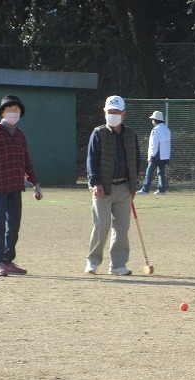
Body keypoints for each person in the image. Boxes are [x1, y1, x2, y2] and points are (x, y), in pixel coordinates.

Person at [0, 95, 42, 277]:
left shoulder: (20, 136)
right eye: (10, 110)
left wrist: (35, 183)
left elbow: (26, 162)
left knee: (14, 225)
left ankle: (8, 260)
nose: (13, 113)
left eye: (16, 110)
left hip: (15, 186)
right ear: (2, 113)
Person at [85, 95, 141, 276]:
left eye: (116, 112)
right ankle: (93, 262)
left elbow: (136, 161)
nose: (112, 115)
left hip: (124, 187)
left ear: (123, 114)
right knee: (101, 225)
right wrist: (95, 183)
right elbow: (91, 161)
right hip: (103, 188)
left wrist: (133, 186)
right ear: (104, 112)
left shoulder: (131, 135)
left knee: (122, 228)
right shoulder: (98, 133)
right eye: (109, 112)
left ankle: (118, 265)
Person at [137, 111, 171, 195]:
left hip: (157, 155)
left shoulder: (156, 130)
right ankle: (161, 189)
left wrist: (152, 155)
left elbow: (154, 144)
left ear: (155, 120)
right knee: (161, 172)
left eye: (153, 119)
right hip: (165, 155)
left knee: (149, 172)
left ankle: (145, 189)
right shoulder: (166, 129)